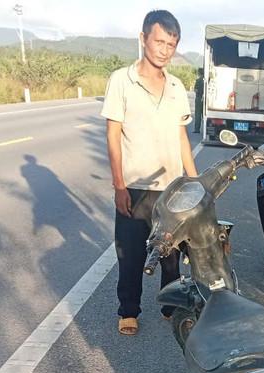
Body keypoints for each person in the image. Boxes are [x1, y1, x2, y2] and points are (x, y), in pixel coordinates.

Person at [102, 9, 197, 336]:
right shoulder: (121, 80)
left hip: (171, 189)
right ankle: (129, 310)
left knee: (171, 255)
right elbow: (113, 135)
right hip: (135, 187)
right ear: (143, 39)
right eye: (159, 42)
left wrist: (195, 183)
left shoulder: (176, 86)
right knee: (130, 255)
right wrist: (119, 185)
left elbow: (181, 137)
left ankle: (171, 305)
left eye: (171, 44)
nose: (164, 50)